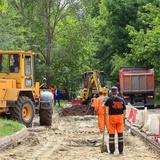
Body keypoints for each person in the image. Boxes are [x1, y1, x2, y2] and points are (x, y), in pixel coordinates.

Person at [103, 86, 126, 155]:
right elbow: (124, 110)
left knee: (111, 135)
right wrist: (124, 117)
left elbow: (104, 107)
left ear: (111, 93)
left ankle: (112, 151)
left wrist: (103, 106)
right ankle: (121, 151)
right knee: (120, 135)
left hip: (112, 118)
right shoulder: (121, 100)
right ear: (117, 93)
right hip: (120, 118)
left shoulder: (109, 100)